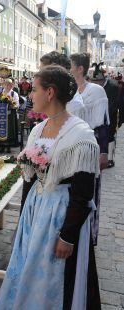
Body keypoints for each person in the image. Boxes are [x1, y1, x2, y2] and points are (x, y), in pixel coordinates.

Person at [0, 65, 101, 309]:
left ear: (50, 93)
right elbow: (29, 180)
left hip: (60, 216)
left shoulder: (80, 136)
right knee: (27, 269)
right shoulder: (37, 130)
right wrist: (23, 220)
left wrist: (67, 236)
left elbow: (84, 193)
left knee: (55, 277)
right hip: (36, 211)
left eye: (34, 90)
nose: (30, 95)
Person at [70, 52, 109, 246]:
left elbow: (102, 124)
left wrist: (104, 152)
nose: (69, 69)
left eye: (71, 66)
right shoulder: (68, 89)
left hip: (90, 146)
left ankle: (89, 234)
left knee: (90, 191)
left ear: (80, 69)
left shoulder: (96, 91)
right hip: (71, 146)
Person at [89, 62, 122, 168]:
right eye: (94, 81)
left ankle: (110, 159)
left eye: (98, 81)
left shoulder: (113, 86)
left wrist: (103, 112)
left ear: (102, 80)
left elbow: (115, 103)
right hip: (96, 115)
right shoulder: (93, 87)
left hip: (110, 115)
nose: (96, 84)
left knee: (110, 136)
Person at [0, 78, 20, 153]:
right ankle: (1, 146)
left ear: (12, 85)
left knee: (9, 131)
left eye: (10, 84)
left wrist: (10, 105)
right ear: (4, 85)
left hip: (10, 115)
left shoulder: (14, 94)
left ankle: (8, 146)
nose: (8, 86)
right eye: (6, 84)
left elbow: (17, 105)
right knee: (0, 130)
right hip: (1, 116)